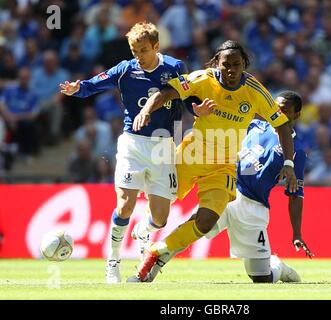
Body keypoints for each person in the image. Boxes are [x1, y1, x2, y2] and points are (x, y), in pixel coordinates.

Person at [128, 40, 297, 282]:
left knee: (206, 222)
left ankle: (156, 253)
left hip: (224, 166)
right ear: (217, 63)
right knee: (161, 206)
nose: (230, 70)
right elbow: (169, 92)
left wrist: (289, 164)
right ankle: (146, 230)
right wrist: (147, 110)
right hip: (191, 155)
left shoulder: (255, 91)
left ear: (244, 65)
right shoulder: (203, 79)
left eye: (236, 65)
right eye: (225, 64)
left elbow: (281, 124)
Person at [60, 22, 208, 284]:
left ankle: (143, 232)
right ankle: (113, 261)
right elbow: (94, 84)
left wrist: (197, 110)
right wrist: (77, 89)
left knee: (161, 219)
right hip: (133, 144)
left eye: (142, 50)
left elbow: (187, 98)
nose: (138, 55)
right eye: (134, 50)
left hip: (164, 147)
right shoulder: (125, 70)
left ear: (156, 47)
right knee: (125, 205)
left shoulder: (174, 67)